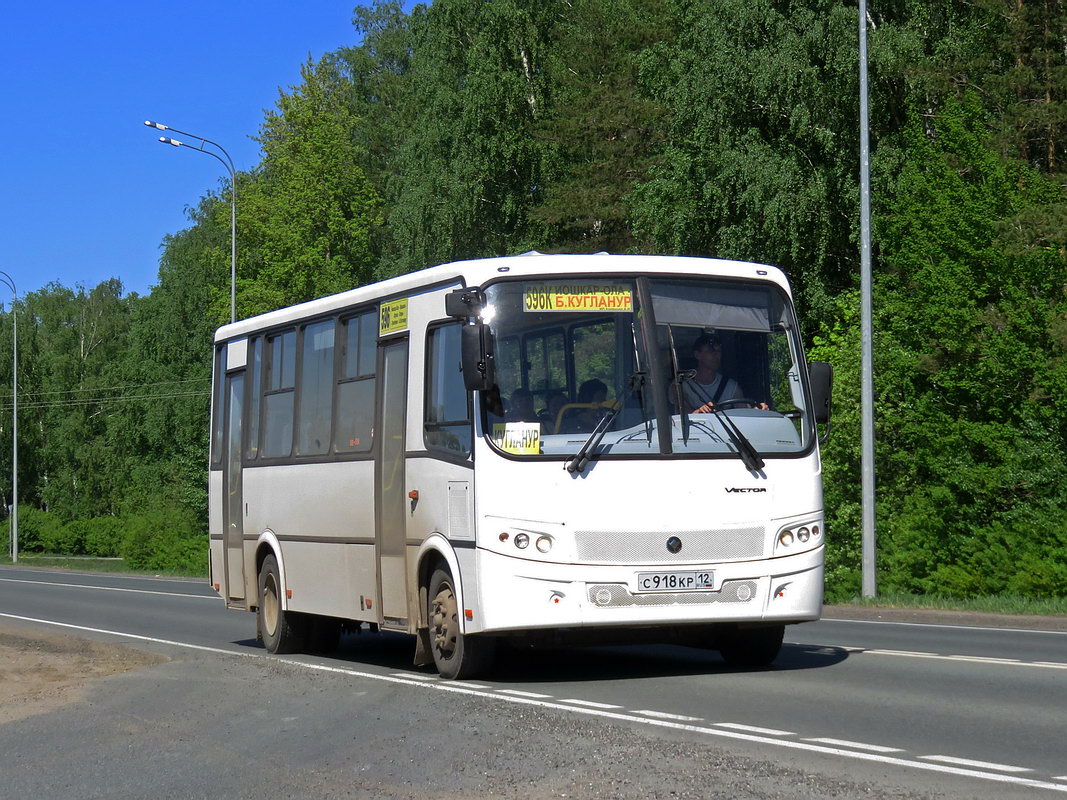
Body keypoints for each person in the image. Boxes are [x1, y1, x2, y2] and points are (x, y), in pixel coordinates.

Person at [682, 333, 745, 413]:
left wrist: (757, 409)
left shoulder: (731, 386)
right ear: (697, 355)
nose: (716, 354)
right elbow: (680, 419)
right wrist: (699, 412)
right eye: (711, 350)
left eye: (718, 351)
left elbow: (744, 411)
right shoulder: (683, 385)